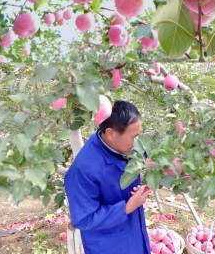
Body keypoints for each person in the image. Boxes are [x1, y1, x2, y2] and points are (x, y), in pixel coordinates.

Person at [64, 100, 151, 253]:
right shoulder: (82, 171)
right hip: (109, 245)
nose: (138, 142)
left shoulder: (122, 145)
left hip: (134, 234)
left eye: (138, 135)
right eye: (133, 137)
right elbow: (84, 219)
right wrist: (127, 207)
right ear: (110, 133)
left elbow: (146, 155)